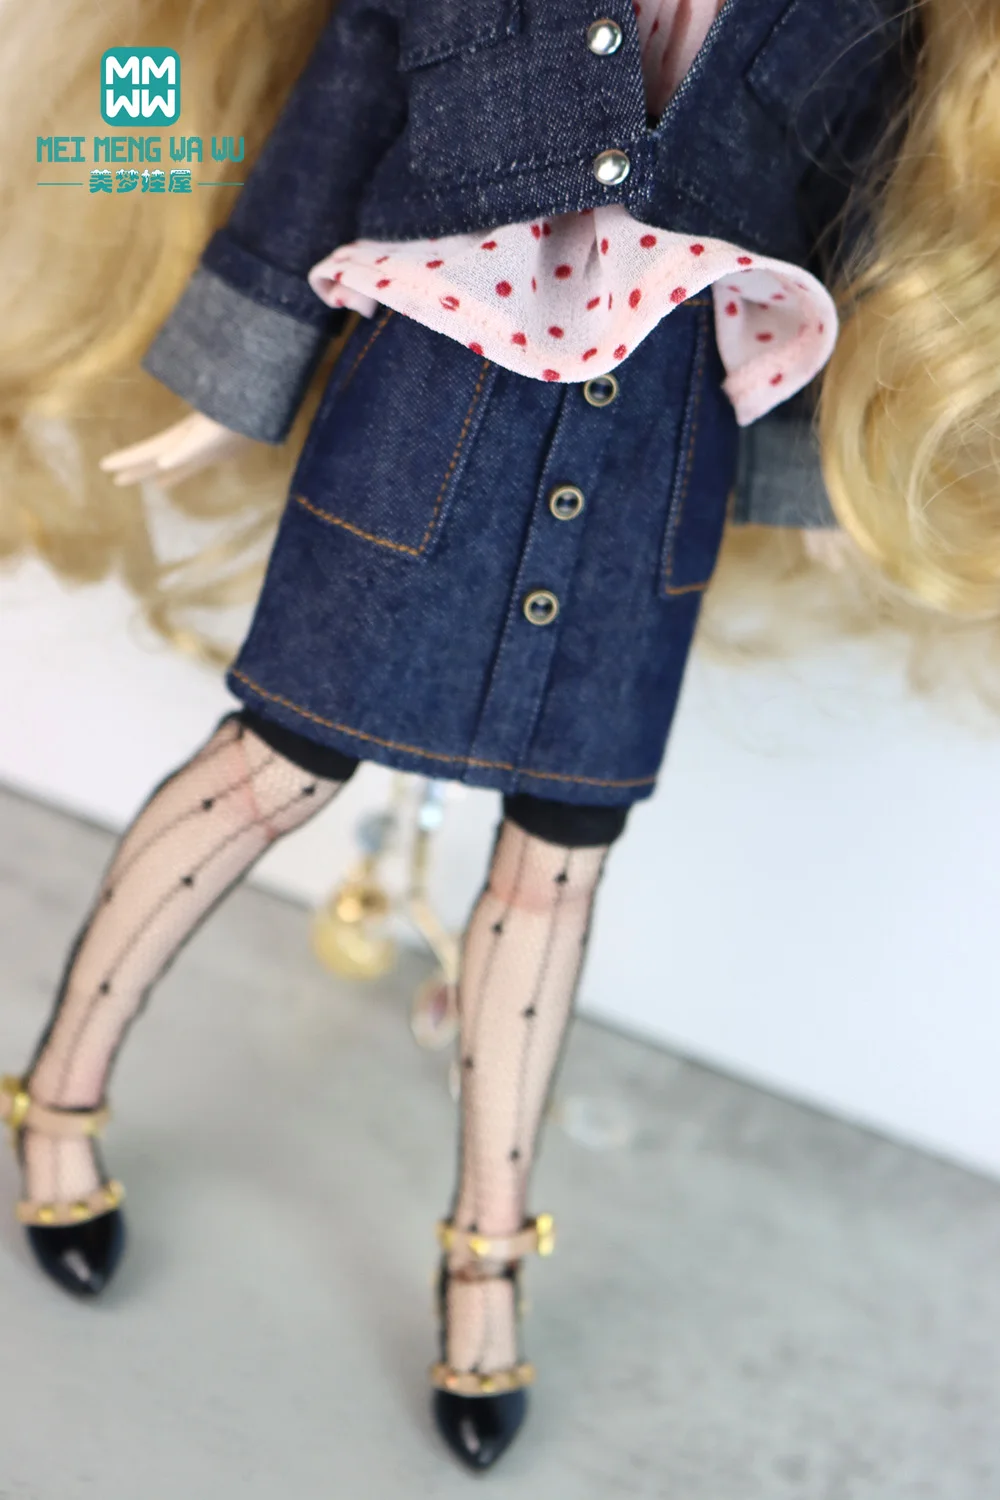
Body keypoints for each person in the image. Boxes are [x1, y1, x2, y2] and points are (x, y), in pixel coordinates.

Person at [1, 0, 990, 1471]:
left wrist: (808, 481)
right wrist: (236, 379)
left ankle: (485, 1265)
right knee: (271, 766)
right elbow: (338, 116)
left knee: (560, 861)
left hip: (653, 461)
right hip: (430, 410)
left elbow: (833, 212)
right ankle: (57, 1098)